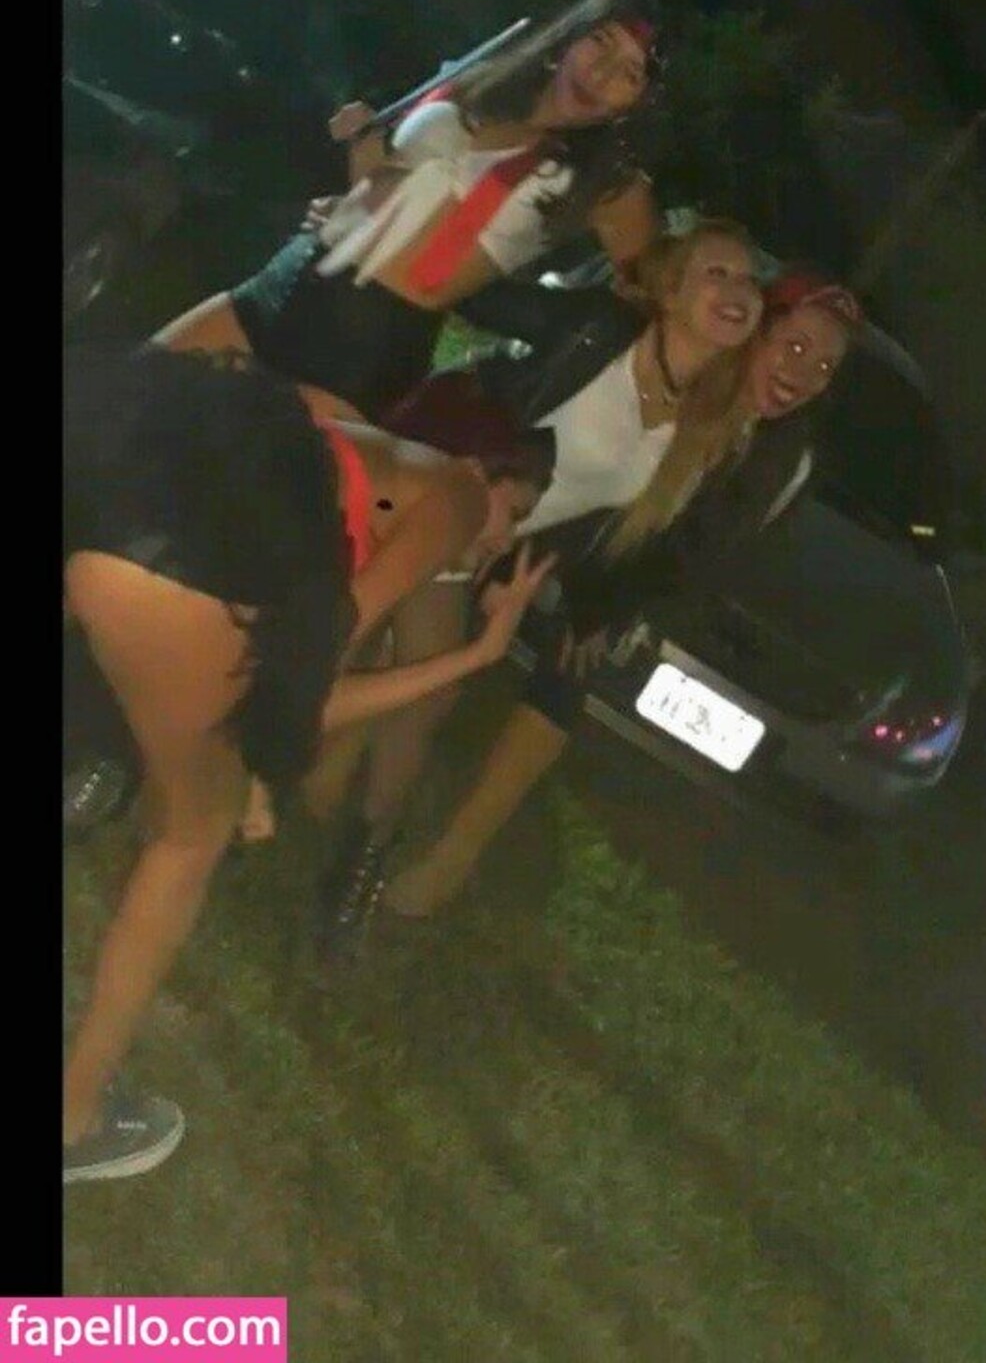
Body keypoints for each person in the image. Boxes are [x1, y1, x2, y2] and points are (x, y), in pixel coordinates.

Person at [62, 345, 554, 1185]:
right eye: (518, 512)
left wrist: (256, 766)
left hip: (99, 469)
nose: (502, 541)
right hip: (165, 558)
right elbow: (311, 668)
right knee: (191, 837)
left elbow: (273, 671)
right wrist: (475, 657)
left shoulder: (332, 453)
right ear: (483, 467)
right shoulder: (457, 493)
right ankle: (73, 1117)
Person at [311, 218, 775, 948]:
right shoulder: (597, 332)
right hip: (428, 493)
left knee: (427, 690)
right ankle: (223, 771)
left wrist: (566, 598)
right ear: (670, 290)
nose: (738, 288)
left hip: (480, 546)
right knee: (344, 638)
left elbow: (632, 541)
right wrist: (383, 225)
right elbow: (484, 294)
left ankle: (360, 858)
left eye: (748, 280)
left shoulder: (706, 430)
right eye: (716, 272)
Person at [375, 272, 862, 924]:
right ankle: (363, 769)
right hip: (548, 513)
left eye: (824, 367)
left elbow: (694, 555)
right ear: (756, 329)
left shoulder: (783, 461)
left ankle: (453, 856)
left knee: (570, 674)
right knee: (439, 623)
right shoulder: (688, 367)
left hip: (618, 571)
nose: (801, 374)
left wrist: (602, 606)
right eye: (794, 346)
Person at [154, 0, 669, 420]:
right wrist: (361, 152)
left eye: (629, 72)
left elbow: (656, 299)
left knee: (206, 489)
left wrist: (531, 318)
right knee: (126, 401)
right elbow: (378, 190)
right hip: (286, 282)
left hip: (363, 352)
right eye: (599, 40)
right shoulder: (475, 79)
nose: (600, 73)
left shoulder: (607, 186)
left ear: (639, 102)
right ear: (570, 34)